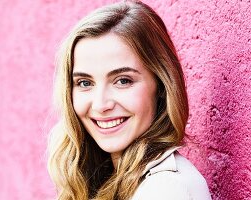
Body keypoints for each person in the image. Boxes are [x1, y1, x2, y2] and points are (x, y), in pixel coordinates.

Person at [47, 1, 212, 199]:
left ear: (161, 85)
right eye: (84, 83)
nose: (100, 105)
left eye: (123, 81)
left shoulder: (167, 189)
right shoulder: (113, 179)